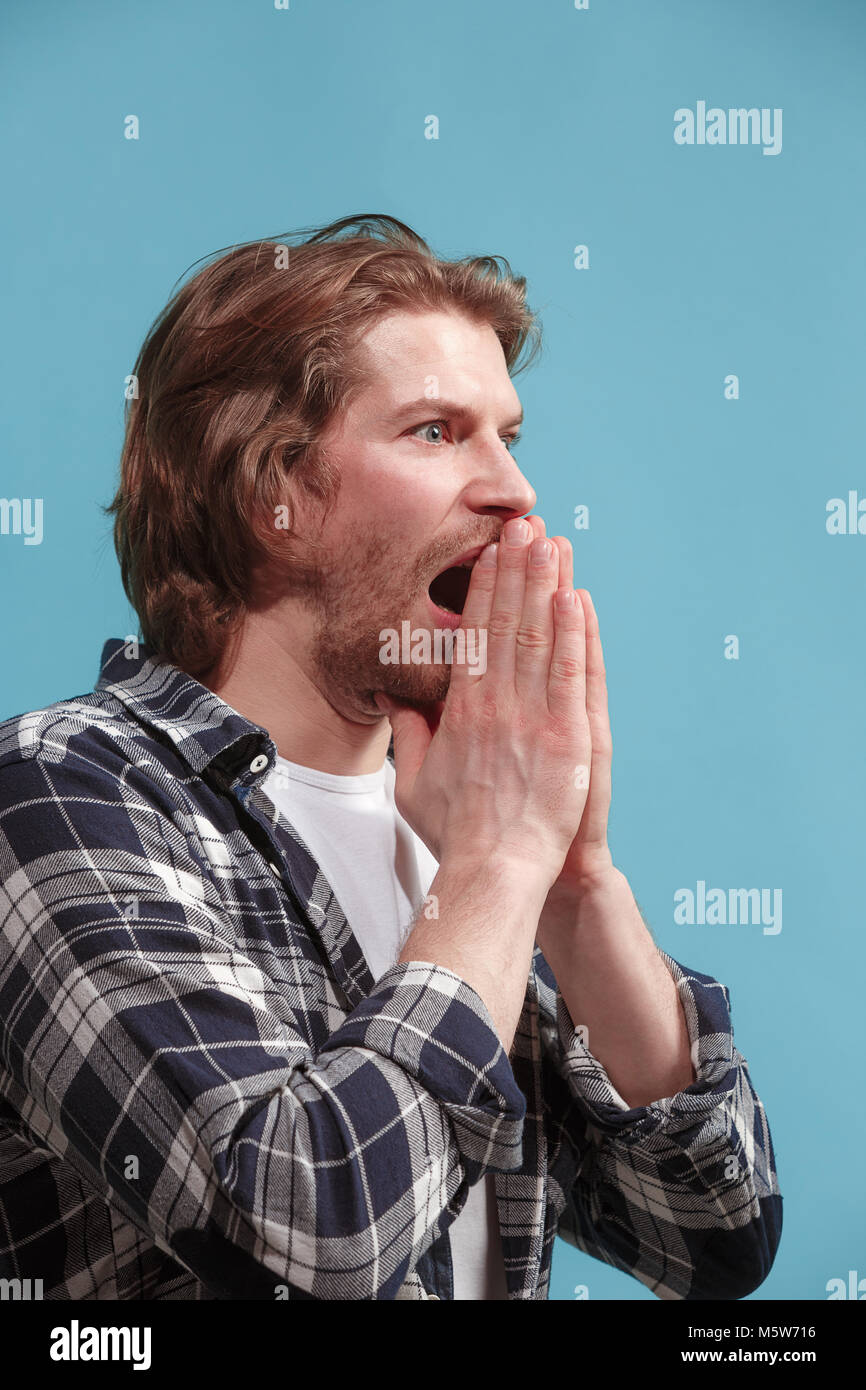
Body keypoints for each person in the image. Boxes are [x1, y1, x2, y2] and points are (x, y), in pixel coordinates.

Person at [0, 214, 781, 1300]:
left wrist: (574, 882)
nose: (512, 490)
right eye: (434, 431)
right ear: (271, 497)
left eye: (507, 435)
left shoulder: (458, 820)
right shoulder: (60, 788)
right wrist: (500, 868)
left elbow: (714, 1239)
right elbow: (302, 1237)